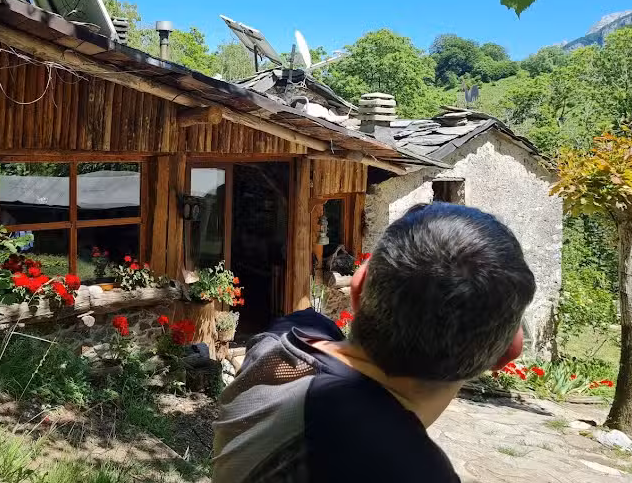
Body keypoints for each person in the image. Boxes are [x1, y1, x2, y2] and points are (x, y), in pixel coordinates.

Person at [213, 202, 536, 483]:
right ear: (511, 349)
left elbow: (317, 332)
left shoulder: (282, 340)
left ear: (357, 286)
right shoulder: (412, 471)